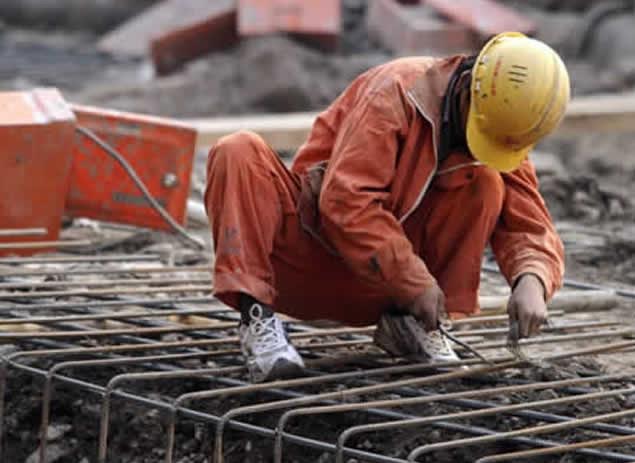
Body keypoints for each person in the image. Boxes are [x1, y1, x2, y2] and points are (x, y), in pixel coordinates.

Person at [204, 32, 569, 382]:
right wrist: (413, 280)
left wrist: (532, 280)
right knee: (238, 151)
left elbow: (529, 224)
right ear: (470, 89)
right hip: (311, 258)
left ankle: (412, 325)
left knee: (487, 183)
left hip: (388, 289)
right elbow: (346, 202)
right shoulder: (397, 93)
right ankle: (257, 320)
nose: (482, 147)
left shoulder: (502, 128)